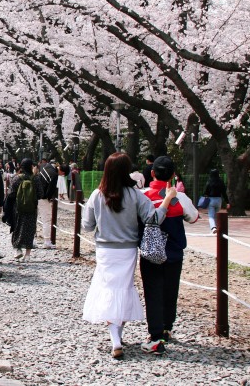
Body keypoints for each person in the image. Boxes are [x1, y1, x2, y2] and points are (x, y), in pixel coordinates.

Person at [82, 153, 171, 359]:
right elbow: (153, 218)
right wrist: (166, 200)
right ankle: (117, 337)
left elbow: (87, 225)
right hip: (128, 250)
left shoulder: (97, 195)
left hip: (105, 250)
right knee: (122, 290)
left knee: (108, 290)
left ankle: (115, 339)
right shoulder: (135, 195)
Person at [139, 156, 199, 355]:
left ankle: (155, 335)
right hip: (173, 252)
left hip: (150, 252)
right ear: (173, 175)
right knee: (170, 290)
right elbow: (193, 217)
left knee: (152, 291)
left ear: (152, 173)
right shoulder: (180, 198)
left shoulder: (143, 196)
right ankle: (167, 327)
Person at [8, 158, 38, 262]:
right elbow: (40, 194)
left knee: (17, 227)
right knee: (30, 229)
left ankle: (17, 249)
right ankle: (28, 255)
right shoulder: (35, 178)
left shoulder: (17, 178)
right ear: (31, 166)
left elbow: (11, 194)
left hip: (18, 208)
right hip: (32, 208)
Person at [36, 157, 58, 249]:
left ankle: (31, 240)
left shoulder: (43, 167)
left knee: (34, 218)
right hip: (44, 198)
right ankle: (47, 241)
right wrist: (49, 198)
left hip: (35, 195)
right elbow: (51, 189)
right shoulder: (54, 174)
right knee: (46, 220)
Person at [203, 169, 230, 233]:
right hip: (218, 200)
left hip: (211, 200)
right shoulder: (221, 182)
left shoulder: (209, 182)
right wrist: (227, 202)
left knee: (211, 216)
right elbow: (224, 193)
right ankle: (217, 228)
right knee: (216, 215)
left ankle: (213, 227)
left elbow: (205, 192)